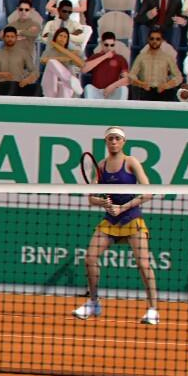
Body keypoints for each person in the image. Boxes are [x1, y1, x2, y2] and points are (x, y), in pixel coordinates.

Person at [72, 126, 160, 326]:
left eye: (117, 139)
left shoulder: (131, 162)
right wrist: (104, 203)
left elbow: (149, 192)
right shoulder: (101, 166)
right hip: (110, 220)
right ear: (106, 142)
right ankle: (94, 303)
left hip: (132, 218)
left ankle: (153, 309)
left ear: (123, 142)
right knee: (90, 258)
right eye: (110, 139)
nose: (113, 142)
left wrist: (123, 207)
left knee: (144, 265)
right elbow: (92, 198)